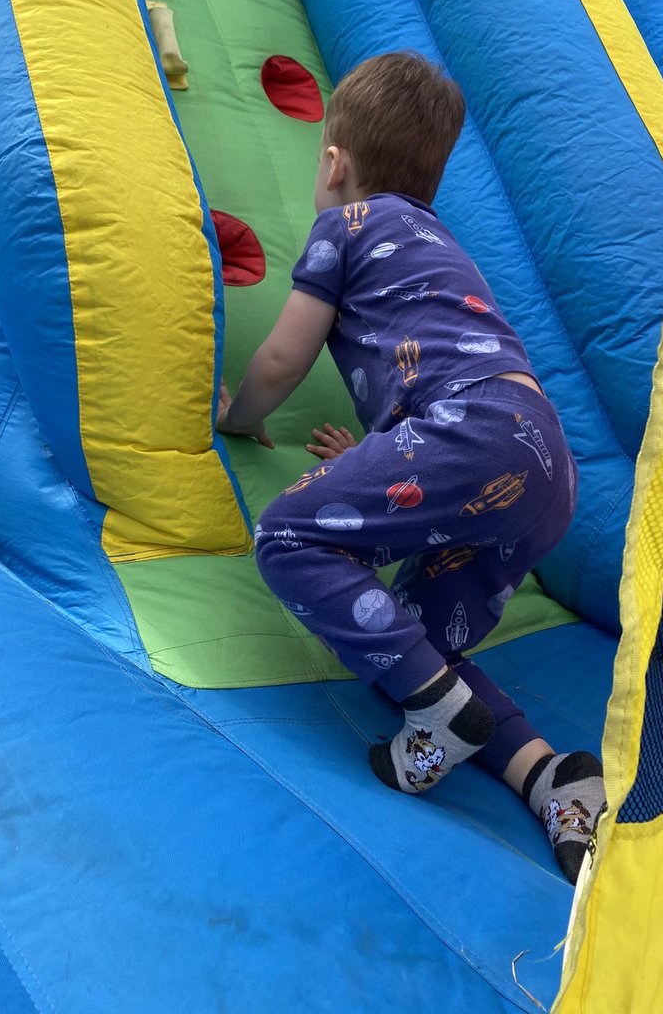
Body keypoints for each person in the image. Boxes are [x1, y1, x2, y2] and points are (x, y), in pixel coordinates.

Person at [217, 52, 605, 883]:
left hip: (469, 435)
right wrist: (373, 455)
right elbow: (443, 358)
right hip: (543, 467)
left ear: (333, 161)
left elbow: (286, 357)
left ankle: (441, 715)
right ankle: (551, 778)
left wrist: (237, 416)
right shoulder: (440, 242)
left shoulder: (345, 228)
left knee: (287, 536)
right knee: (411, 647)